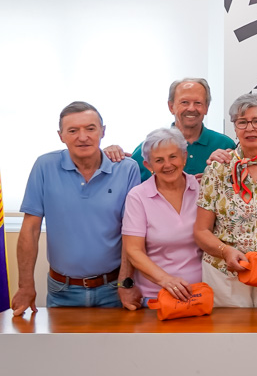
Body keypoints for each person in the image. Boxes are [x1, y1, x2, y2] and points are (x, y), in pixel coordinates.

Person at [13, 101, 141, 314]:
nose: (83, 137)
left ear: (103, 131)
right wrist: (25, 286)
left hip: (114, 289)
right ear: (61, 135)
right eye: (73, 131)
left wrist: (125, 283)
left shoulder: (127, 169)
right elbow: (30, 229)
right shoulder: (44, 166)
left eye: (90, 128)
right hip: (62, 290)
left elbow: (132, 232)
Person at [194, 92, 257, 308]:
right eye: (242, 122)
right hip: (226, 274)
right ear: (235, 128)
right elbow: (201, 231)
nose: (250, 128)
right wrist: (225, 252)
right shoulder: (218, 168)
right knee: (229, 331)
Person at [122, 128, 202, 303]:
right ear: (148, 165)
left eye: (173, 156)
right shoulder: (138, 197)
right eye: (159, 160)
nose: (167, 165)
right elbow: (134, 251)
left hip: (200, 295)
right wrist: (167, 281)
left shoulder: (202, 189)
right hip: (155, 296)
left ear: (184, 157)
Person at [129, 78, 235, 181]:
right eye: (184, 102)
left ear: (206, 107)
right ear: (171, 107)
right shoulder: (149, 148)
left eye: (198, 103)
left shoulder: (225, 145)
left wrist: (210, 182)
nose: (191, 108)